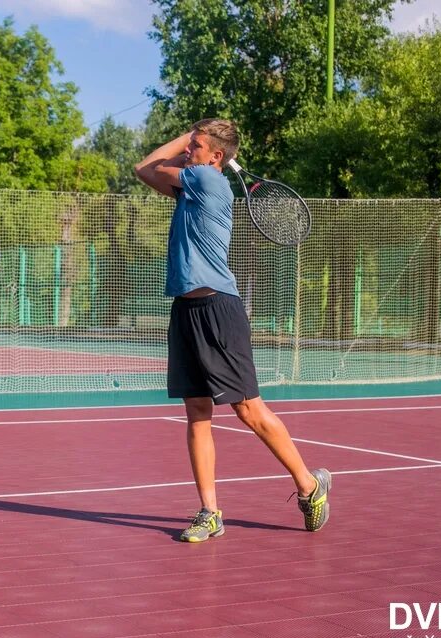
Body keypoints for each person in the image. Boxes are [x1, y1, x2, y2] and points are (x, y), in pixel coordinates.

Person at [135, 118, 330, 542]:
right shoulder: (192, 187)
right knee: (197, 415)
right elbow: (143, 170)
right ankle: (210, 512)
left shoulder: (206, 179)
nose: (189, 149)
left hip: (219, 309)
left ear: (216, 157)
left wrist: (187, 137)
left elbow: (152, 166)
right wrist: (194, 136)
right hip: (185, 311)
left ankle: (310, 486)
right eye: (190, 144)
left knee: (248, 410)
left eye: (197, 145)